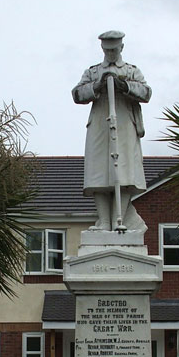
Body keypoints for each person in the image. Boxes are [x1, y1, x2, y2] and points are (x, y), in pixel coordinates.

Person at [72, 30, 151, 231]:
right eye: (107, 50)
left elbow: (146, 92)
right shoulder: (93, 71)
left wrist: (124, 85)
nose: (111, 53)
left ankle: (120, 219)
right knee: (98, 172)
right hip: (100, 124)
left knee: (124, 171)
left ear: (121, 48)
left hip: (124, 123)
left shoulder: (132, 71)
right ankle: (104, 222)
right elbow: (77, 94)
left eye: (114, 49)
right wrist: (97, 86)